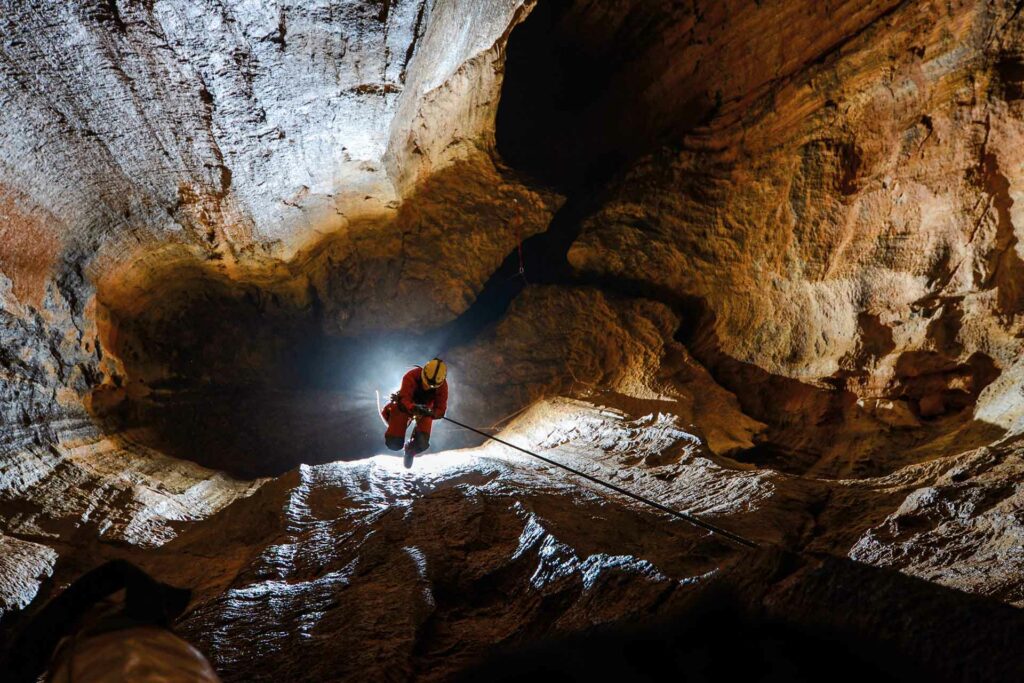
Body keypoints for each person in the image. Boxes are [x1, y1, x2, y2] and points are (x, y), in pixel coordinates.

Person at [382, 358, 448, 468]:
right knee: (394, 443)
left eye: (431, 386)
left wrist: (431, 412)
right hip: (407, 407)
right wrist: (413, 408)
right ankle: (394, 422)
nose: (427, 387)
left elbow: (440, 410)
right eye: (426, 383)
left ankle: (410, 451)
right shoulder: (411, 376)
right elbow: (404, 399)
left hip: (426, 411)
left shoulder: (442, 386)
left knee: (422, 444)